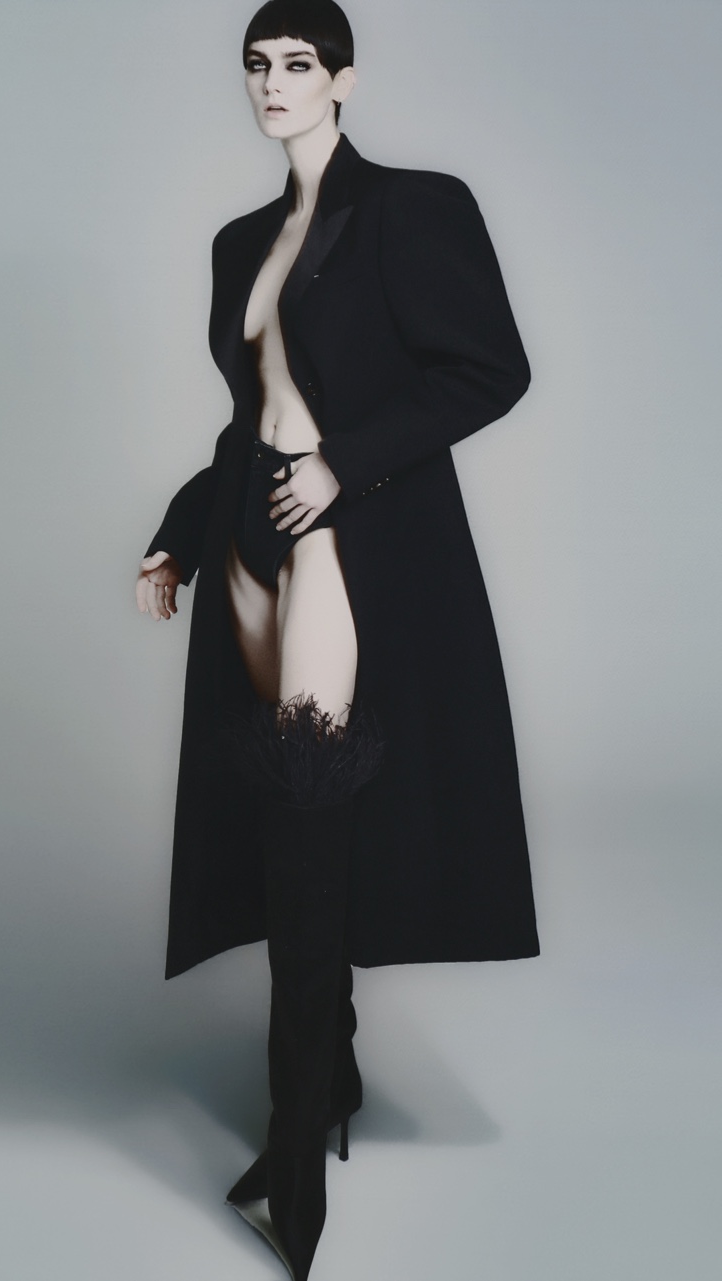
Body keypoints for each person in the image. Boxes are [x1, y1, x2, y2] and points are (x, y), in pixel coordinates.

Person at [135, 2, 539, 1276]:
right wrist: (177, 537)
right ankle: (337, 1073)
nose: (273, 83)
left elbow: (489, 370)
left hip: (344, 538)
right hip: (249, 538)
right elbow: (244, 421)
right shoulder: (239, 243)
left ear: (344, 80)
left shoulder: (414, 208)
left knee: (312, 810)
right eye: (256, 65)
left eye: (298, 64)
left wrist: (345, 465)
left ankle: (294, 1148)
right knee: (279, 819)